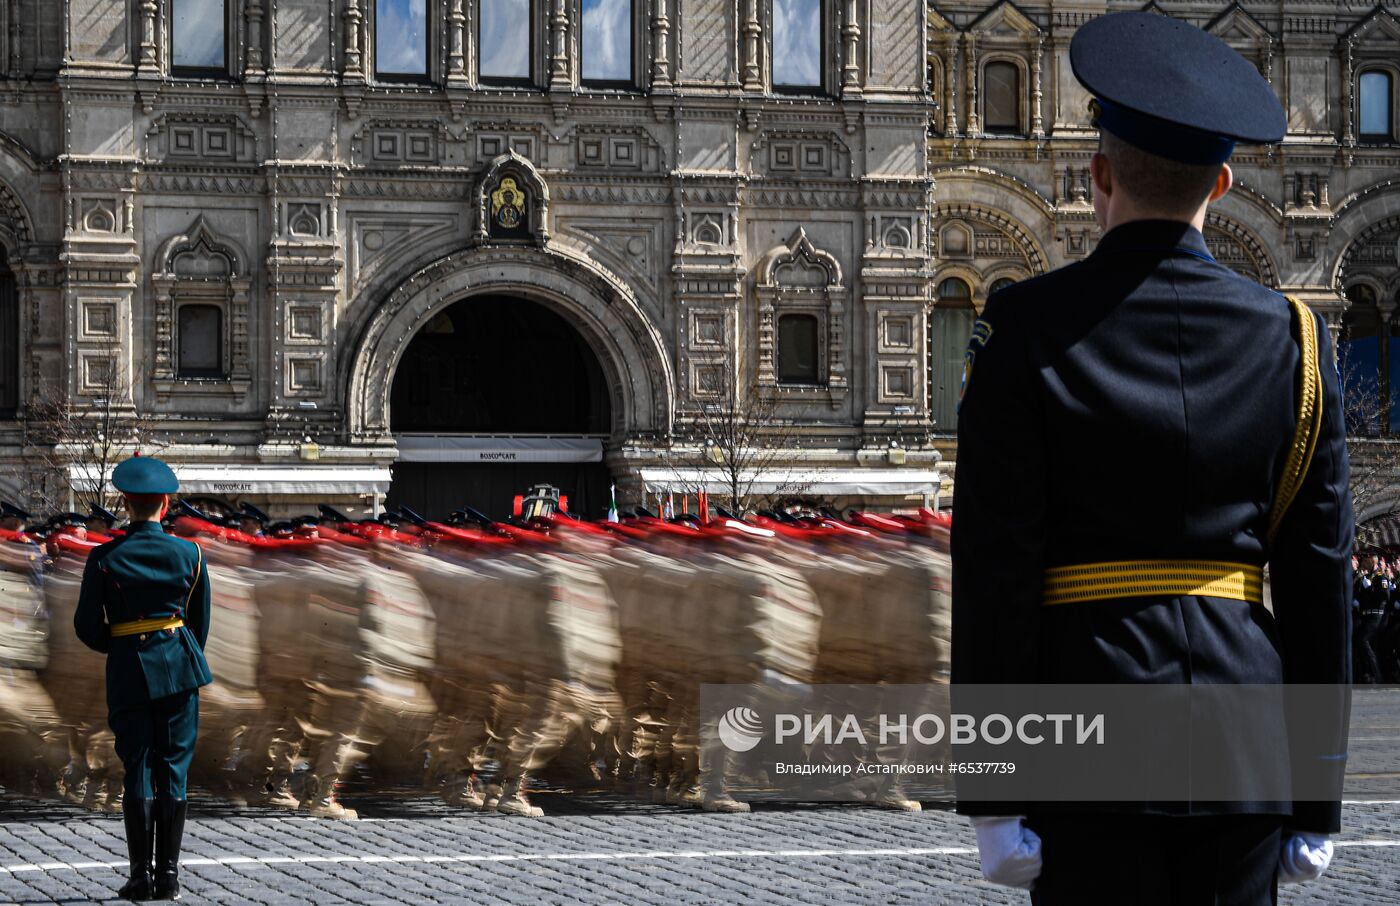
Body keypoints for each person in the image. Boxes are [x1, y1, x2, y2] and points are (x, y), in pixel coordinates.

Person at [951, 11, 1352, 904]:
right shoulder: (1295, 338)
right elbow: (1321, 580)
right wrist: (1319, 798)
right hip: (1247, 749)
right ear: (1222, 180)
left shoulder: (1024, 329)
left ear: (1098, 174)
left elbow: (994, 569)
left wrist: (992, 792)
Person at [74, 455, 212, 901]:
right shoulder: (190, 553)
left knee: (138, 767)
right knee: (173, 769)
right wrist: (178, 653)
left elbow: (86, 625)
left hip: (128, 669)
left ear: (126, 502)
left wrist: (118, 647)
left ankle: (139, 877)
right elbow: (199, 621)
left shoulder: (103, 557)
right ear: (165, 503)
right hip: (177, 665)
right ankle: (168, 877)